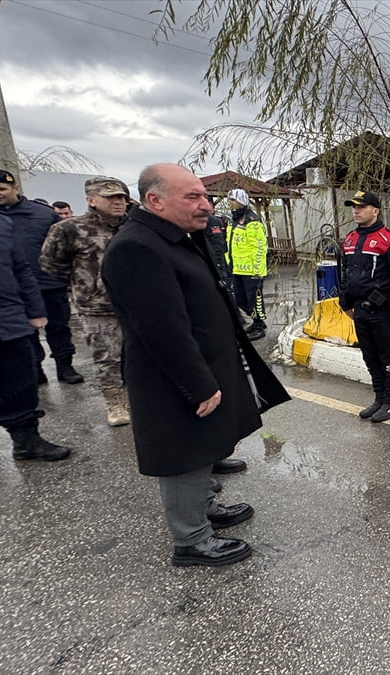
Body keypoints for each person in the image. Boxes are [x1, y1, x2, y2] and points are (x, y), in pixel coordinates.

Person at [101, 163, 289, 567]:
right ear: (155, 200)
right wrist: (198, 384)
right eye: (193, 197)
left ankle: (202, 509)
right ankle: (192, 540)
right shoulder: (138, 248)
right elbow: (161, 330)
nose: (205, 205)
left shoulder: (177, 237)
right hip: (175, 376)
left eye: (204, 197)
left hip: (205, 364)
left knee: (204, 445)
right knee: (184, 452)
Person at [0, 199, 74, 491]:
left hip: (9, 317)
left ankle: (26, 441)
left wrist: (35, 309)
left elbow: (21, 268)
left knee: (19, 383)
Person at [39, 176, 136, 426]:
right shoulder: (69, 229)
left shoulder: (135, 226)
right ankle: (115, 402)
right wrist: (86, 286)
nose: (118, 202)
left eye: (121, 197)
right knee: (107, 357)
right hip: (99, 307)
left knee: (141, 355)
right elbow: (51, 265)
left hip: (138, 304)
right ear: (91, 200)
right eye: (110, 197)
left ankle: (145, 397)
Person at [0, 168, 82, 386]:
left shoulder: (43, 214)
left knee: (59, 327)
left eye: (0, 188)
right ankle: (34, 369)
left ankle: (65, 365)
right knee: (24, 334)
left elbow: (65, 248)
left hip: (48, 283)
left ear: (15, 188)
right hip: (9, 289)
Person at [339, 190, 390, 423]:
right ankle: (380, 397)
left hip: (383, 313)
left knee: (388, 358)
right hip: (359, 311)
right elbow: (345, 273)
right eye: (354, 207)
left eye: (361, 207)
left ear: (375, 210)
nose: (356, 211)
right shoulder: (349, 239)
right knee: (370, 357)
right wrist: (345, 301)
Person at [225, 188, 268, 341]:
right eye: (229, 199)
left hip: (252, 270)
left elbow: (260, 246)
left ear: (241, 201)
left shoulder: (252, 221)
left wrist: (257, 270)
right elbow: (231, 244)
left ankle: (258, 325)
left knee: (254, 300)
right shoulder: (233, 220)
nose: (230, 202)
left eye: (232, 200)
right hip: (237, 268)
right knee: (240, 299)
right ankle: (258, 321)